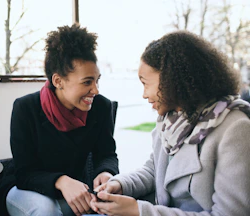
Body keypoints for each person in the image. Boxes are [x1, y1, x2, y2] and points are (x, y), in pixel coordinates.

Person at [90, 30, 250, 216]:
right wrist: (119, 184)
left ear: (172, 80)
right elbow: (154, 170)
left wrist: (140, 211)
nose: (144, 94)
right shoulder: (171, 123)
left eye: (146, 83)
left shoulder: (235, 129)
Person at [6, 24, 119, 216]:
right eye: (87, 82)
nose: (96, 90)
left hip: (77, 192)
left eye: (97, 80)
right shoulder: (25, 108)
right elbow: (24, 174)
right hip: (28, 191)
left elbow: (107, 154)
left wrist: (105, 173)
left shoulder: (101, 107)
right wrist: (61, 181)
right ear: (58, 81)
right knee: (46, 210)